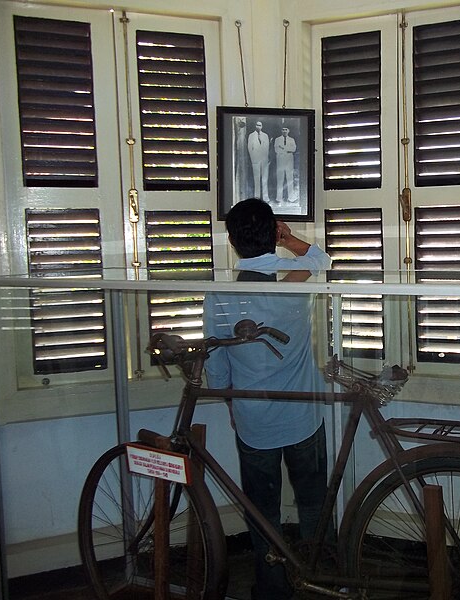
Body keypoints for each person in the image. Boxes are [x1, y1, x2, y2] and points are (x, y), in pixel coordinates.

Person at [203, 198, 332, 600]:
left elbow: (217, 363)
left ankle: (272, 590)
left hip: (254, 421)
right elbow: (321, 260)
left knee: (262, 515)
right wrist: (290, 239)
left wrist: (231, 406)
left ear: (231, 240)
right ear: (272, 232)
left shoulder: (219, 296)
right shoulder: (291, 282)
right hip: (304, 417)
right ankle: (318, 585)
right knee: (314, 506)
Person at [247, 121, 271, 202]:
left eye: (260, 125)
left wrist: (267, 159)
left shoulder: (265, 136)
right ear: (255, 126)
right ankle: (257, 197)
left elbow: (267, 148)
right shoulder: (251, 136)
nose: (258, 127)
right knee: (256, 179)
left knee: (265, 179)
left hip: (264, 160)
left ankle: (265, 197)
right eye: (257, 125)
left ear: (262, 126)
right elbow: (250, 148)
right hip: (255, 160)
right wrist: (253, 159)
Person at [274, 126, 297, 203]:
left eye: (286, 129)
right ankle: (279, 198)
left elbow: (293, 149)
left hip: (289, 161)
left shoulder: (291, 140)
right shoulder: (277, 140)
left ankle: (291, 198)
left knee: (290, 179)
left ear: (288, 130)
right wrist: (287, 150)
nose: (284, 131)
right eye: (283, 129)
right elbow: (276, 150)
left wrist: (283, 148)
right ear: (281, 130)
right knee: (280, 179)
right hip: (280, 161)